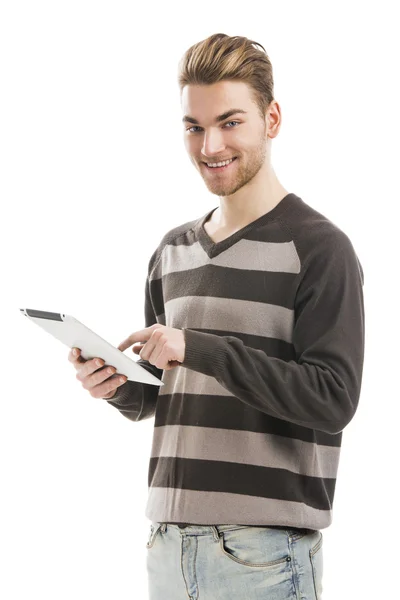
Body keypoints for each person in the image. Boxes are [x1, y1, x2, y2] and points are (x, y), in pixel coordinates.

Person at [69, 33, 365, 600]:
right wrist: (114, 385)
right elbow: (164, 396)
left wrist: (199, 347)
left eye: (230, 122)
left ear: (271, 119)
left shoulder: (321, 248)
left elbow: (333, 399)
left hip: (263, 554)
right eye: (194, 126)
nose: (210, 145)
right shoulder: (172, 251)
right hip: (167, 544)